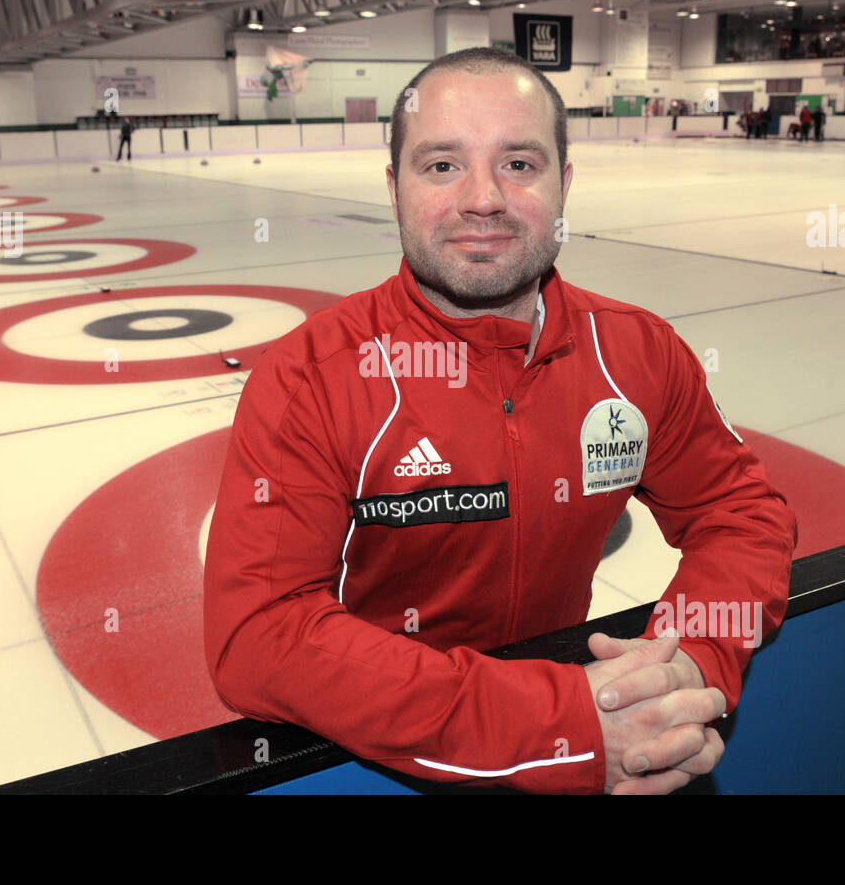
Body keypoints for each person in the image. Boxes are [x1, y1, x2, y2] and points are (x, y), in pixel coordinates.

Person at [204, 47, 798, 796]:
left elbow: (739, 511)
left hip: (597, 731)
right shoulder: (310, 379)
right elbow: (260, 637)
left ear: (564, 184)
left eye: (519, 163)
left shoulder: (637, 351)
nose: (482, 198)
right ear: (394, 188)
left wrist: (693, 657)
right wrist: (560, 727)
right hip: (386, 762)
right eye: (441, 165)